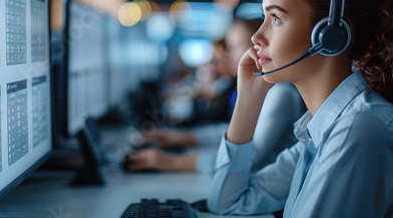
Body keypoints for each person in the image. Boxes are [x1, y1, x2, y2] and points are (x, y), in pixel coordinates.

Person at [207, 0, 393, 217]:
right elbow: (227, 203)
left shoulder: (361, 128)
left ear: (329, 35)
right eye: (264, 18)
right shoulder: (321, 131)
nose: (257, 37)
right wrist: (248, 98)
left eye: (277, 18)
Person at [123, 17, 306, 173]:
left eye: (233, 47)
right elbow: (234, 131)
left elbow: (250, 155)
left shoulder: (281, 93)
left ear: (257, 47)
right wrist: (184, 138)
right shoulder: (259, 89)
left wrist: (173, 162)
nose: (226, 55)